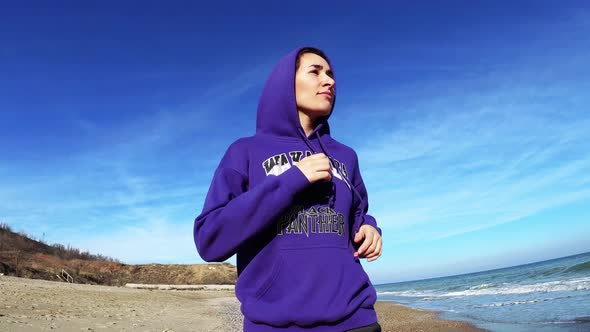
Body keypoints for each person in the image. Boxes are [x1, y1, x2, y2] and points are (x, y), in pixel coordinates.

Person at [194, 46, 383, 331]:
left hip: (357, 320)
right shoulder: (245, 151)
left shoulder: (346, 156)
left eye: (330, 74)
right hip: (276, 324)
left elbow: (358, 213)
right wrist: (292, 180)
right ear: (285, 84)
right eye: (315, 72)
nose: (329, 81)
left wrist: (369, 228)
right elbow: (210, 239)